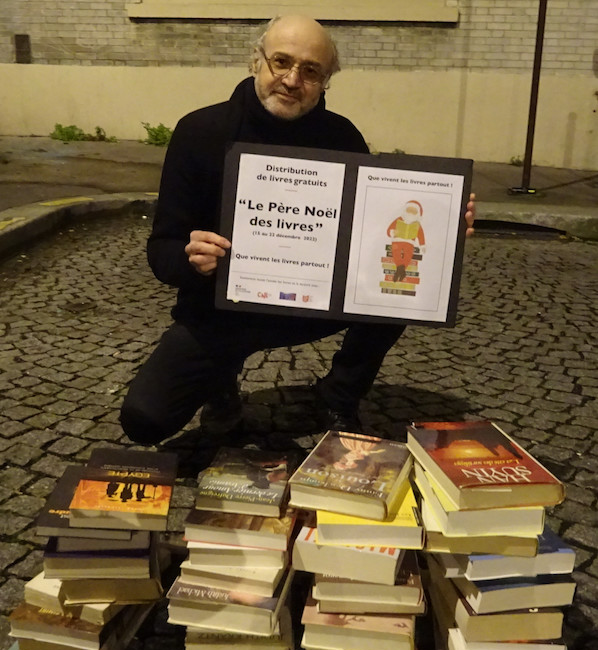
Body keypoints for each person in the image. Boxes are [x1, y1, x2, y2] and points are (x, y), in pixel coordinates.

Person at [120, 14, 475, 446]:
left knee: (398, 288)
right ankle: (220, 389)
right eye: (281, 62)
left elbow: (372, 231)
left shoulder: (342, 137)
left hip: (312, 302)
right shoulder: (200, 132)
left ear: (326, 81)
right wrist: (189, 258)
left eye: (311, 71)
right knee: (144, 420)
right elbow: (162, 249)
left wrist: (442, 225)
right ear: (257, 61)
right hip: (221, 309)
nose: (292, 80)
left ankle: (339, 394)